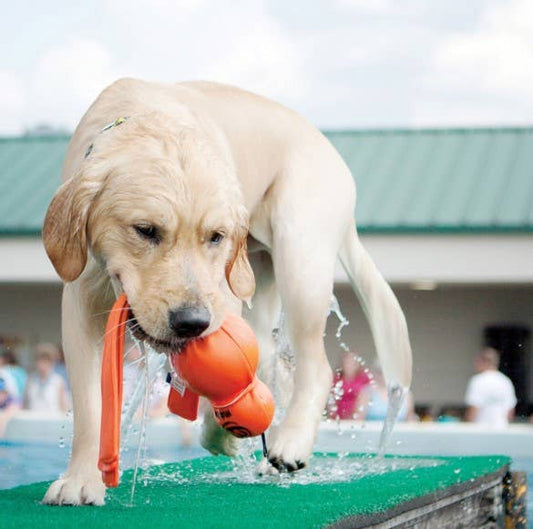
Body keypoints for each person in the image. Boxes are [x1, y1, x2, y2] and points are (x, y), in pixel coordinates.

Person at [465, 347, 516, 428]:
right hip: (501, 429)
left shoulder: (478, 381)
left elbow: (474, 408)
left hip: (481, 430)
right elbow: (510, 411)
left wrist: (467, 427)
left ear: (483, 362)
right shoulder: (506, 381)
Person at [24, 345, 69, 414]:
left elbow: (63, 405)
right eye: (39, 361)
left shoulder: (58, 381)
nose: (42, 365)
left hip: (53, 420)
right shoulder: (30, 380)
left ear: (52, 363)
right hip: (33, 420)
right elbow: (25, 403)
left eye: (45, 361)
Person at [328, 351, 371, 420]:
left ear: (357, 364)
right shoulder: (336, 379)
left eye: (352, 362)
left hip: (356, 416)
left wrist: (355, 418)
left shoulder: (363, 379)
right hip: (337, 418)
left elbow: (363, 400)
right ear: (342, 364)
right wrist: (334, 417)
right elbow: (331, 401)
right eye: (347, 362)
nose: (349, 365)